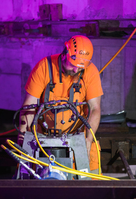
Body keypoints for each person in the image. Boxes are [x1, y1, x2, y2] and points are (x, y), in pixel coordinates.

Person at [18, 35, 103, 172]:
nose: (76, 71)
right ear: (65, 54)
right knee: (27, 171)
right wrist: (23, 136)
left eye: (80, 68)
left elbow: (94, 109)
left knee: (91, 172)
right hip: (43, 134)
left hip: (77, 135)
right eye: (73, 65)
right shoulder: (44, 67)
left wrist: (88, 140)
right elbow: (29, 106)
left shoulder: (91, 71)